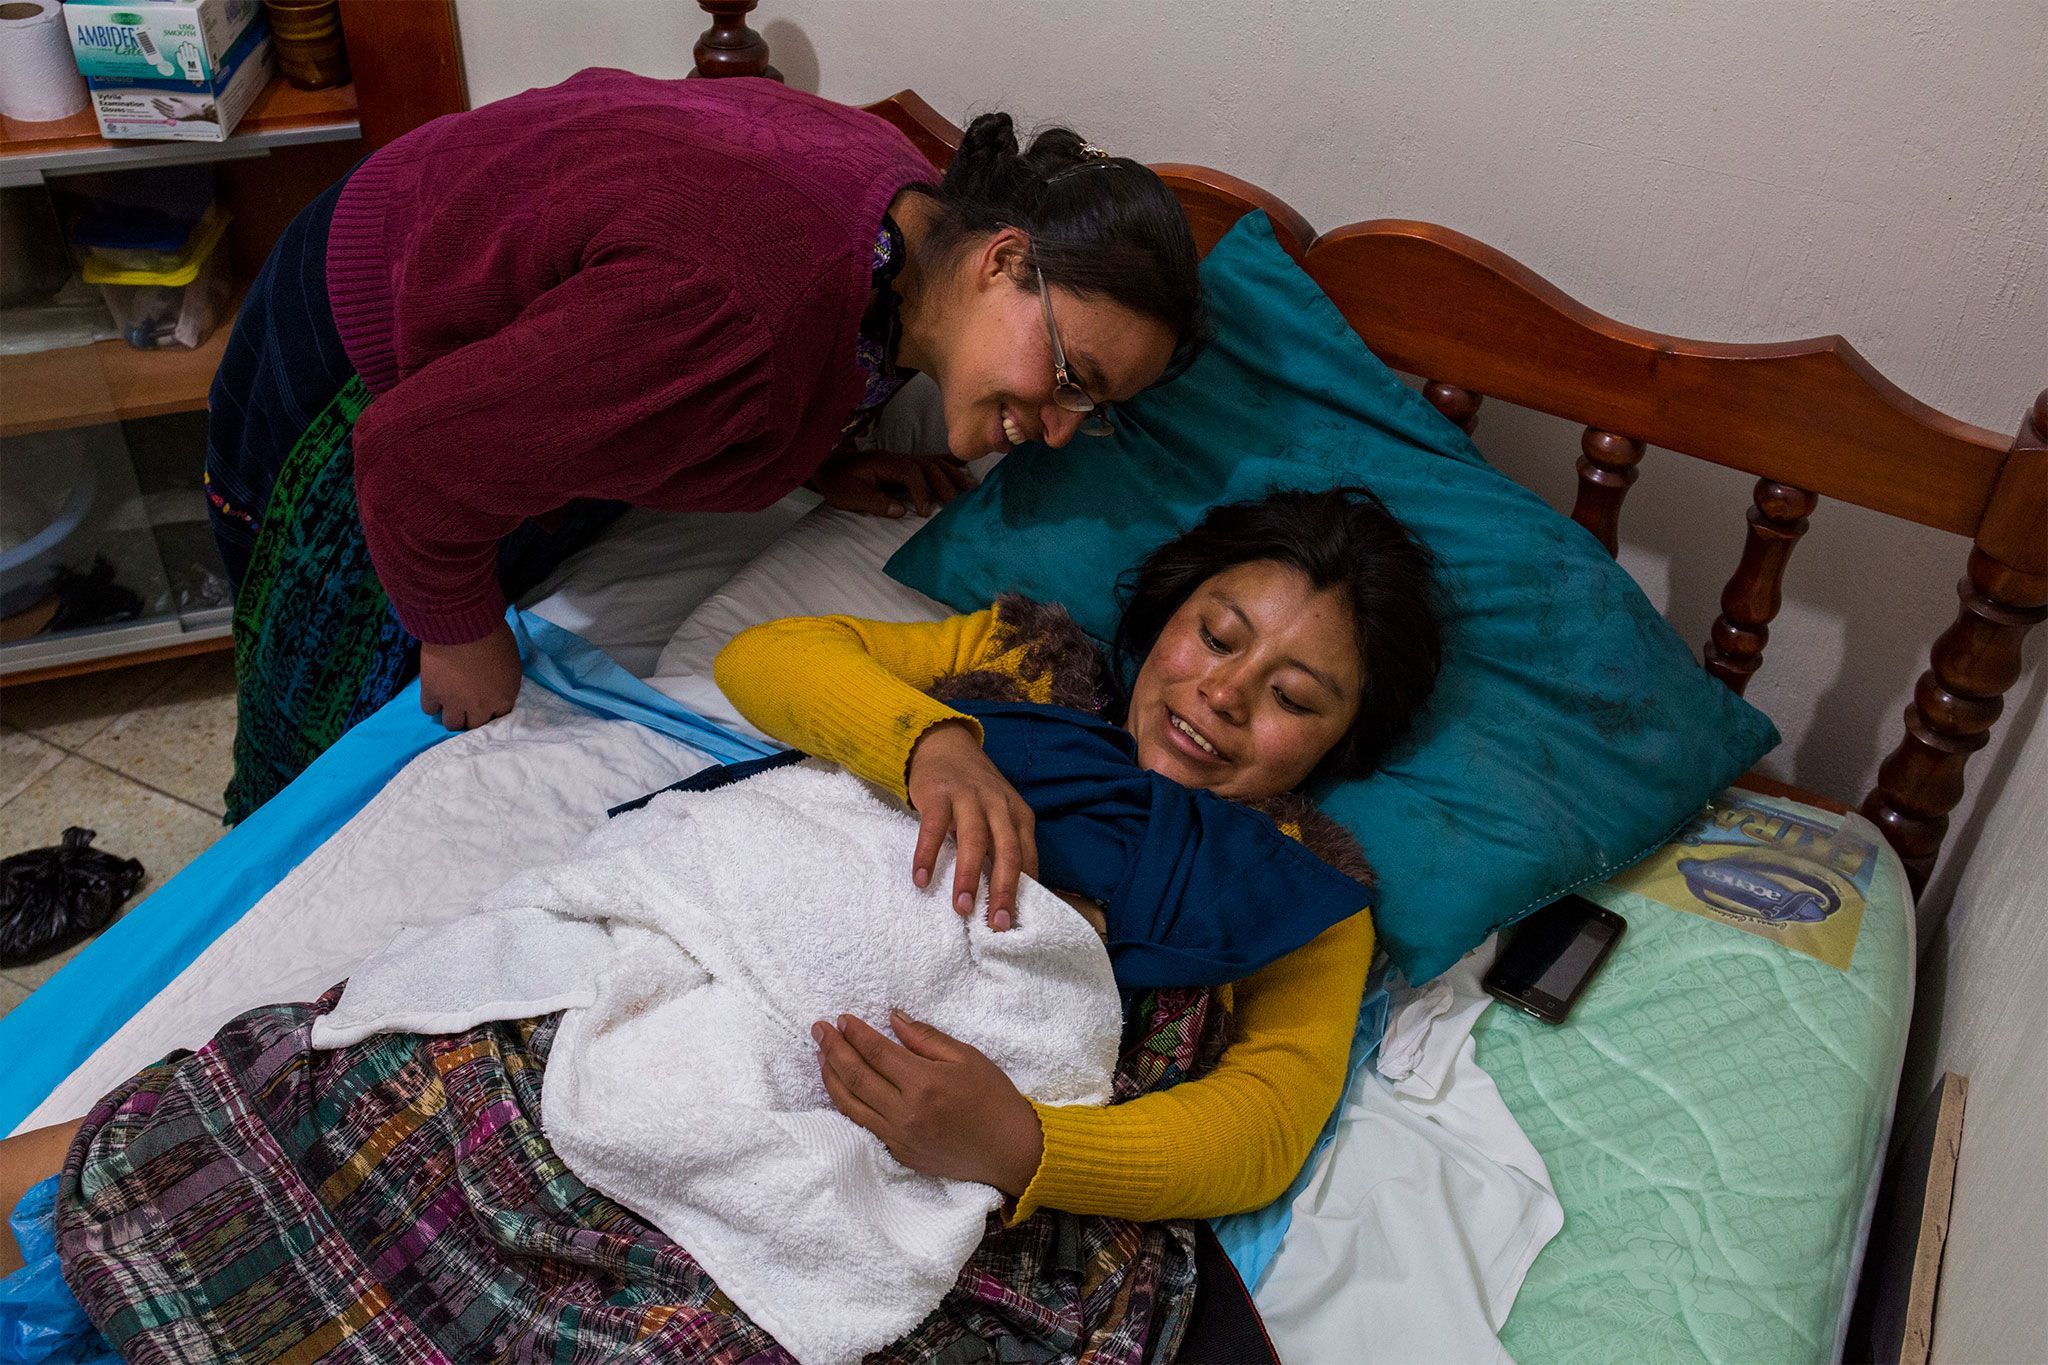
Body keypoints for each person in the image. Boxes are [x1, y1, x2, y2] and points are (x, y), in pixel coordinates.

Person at [0, 488, 1442, 1359]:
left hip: (903, 1111)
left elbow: (1256, 1129)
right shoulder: (1023, 666)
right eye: (1218, 633)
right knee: (363, 1068)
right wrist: (929, 744)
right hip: (701, 942)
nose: (1223, 695)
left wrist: (1019, 1147)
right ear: (1168, 612)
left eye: (1294, 698)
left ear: (1338, 744)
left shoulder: (1304, 893)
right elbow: (773, 659)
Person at [207, 70, 1205, 822]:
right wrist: (459, 633)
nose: (1061, 425)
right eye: (1072, 376)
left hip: (472, 257)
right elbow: (415, 460)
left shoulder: (912, 232)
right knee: (320, 730)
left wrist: (816, 459)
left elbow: (677, 327)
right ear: (1002, 259)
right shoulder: (736, 320)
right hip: (373, 324)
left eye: (1095, 407)